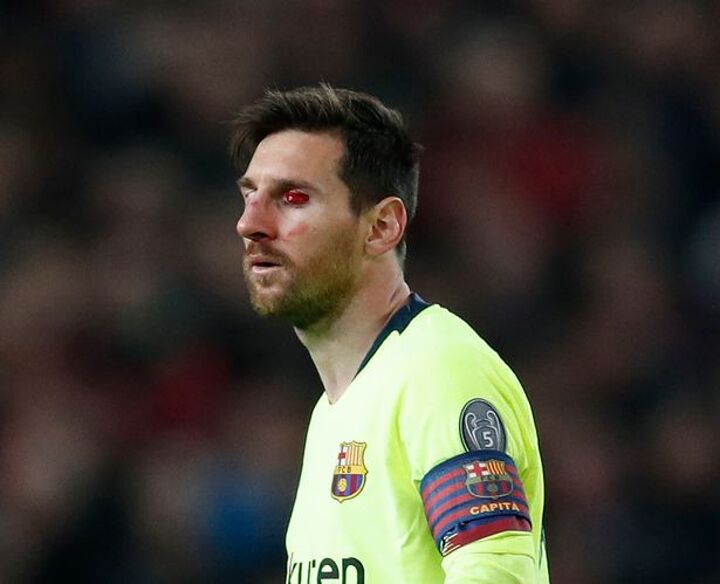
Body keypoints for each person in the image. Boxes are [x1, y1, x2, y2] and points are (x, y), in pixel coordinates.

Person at [230, 84, 549, 583]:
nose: (250, 223)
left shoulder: (435, 370)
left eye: (293, 198)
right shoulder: (334, 412)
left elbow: (494, 574)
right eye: (249, 196)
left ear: (381, 227)